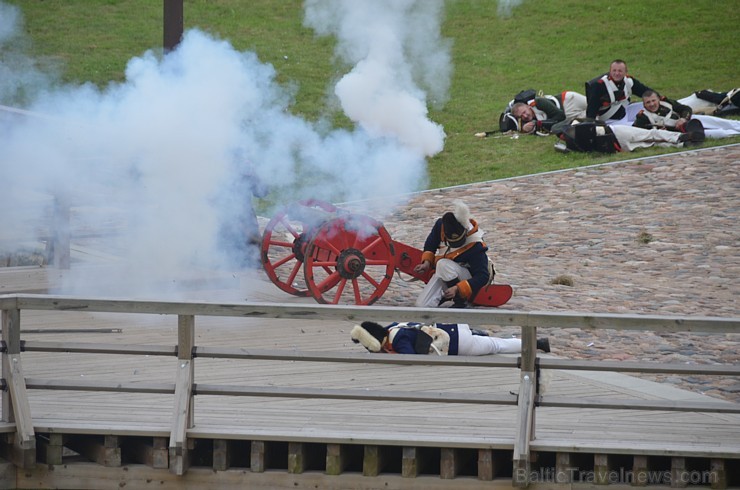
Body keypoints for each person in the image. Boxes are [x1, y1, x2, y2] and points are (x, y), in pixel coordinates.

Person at [413, 200, 492, 309]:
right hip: (444, 273)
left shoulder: (475, 244)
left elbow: (482, 276)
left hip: (467, 277)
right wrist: (426, 263)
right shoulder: (440, 226)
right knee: (422, 305)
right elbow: (430, 245)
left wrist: (457, 288)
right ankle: (444, 295)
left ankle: (460, 301)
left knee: (442, 264)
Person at [350, 321, 550, 356]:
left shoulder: (398, 338)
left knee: (496, 346)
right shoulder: (393, 327)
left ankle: (537, 344)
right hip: (452, 329)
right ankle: (479, 333)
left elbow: (409, 356)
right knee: (492, 343)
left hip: (457, 344)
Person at [555, 118, 705, 153]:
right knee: (649, 139)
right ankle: (681, 141)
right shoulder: (573, 138)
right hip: (615, 138)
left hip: (617, 139)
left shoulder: (575, 134)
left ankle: (682, 141)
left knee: (650, 139)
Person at [635, 90, 740, 139]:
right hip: (681, 133)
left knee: (719, 122)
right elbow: (637, 133)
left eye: (653, 100)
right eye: (648, 103)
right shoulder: (642, 118)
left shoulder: (666, 103)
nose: (652, 104)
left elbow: (685, 108)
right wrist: (657, 132)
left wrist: (683, 119)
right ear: (644, 105)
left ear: (658, 99)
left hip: (689, 120)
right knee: (720, 134)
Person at [585, 59, 653, 124]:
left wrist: (659, 98)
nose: (617, 73)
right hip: (610, 121)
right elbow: (591, 110)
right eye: (614, 70)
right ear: (610, 71)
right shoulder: (599, 86)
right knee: (638, 127)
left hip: (626, 111)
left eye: (620, 71)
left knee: (654, 104)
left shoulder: (629, 81)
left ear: (625, 72)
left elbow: (646, 92)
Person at [508, 91, 587, 135]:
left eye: (524, 112)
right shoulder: (526, 119)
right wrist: (524, 129)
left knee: (595, 104)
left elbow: (560, 116)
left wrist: (539, 124)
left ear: (528, 106)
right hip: (568, 115)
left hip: (569, 101)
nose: (525, 116)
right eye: (521, 116)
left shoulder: (538, 102)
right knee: (592, 117)